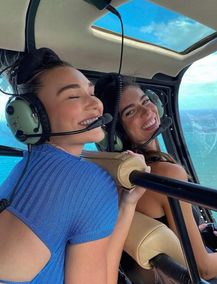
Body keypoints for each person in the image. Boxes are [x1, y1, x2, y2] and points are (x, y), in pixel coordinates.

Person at [0, 49, 147, 284]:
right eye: (73, 96)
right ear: (33, 116)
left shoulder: (23, 167)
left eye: (91, 92)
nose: (96, 104)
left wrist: (127, 203)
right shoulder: (91, 181)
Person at [95, 74, 217, 283]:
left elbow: (167, 228)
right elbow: (204, 269)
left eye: (145, 101)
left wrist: (195, 229)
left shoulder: (118, 175)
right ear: (116, 132)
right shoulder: (166, 174)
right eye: (130, 111)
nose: (147, 111)